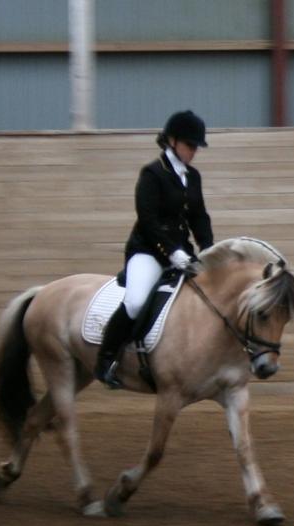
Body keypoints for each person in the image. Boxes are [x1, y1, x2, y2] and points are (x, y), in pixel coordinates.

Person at [94, 109, 214, 388]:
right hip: (148, 251)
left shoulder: (192, 177)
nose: (194, 151)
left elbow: (199, 217)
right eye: (189, 145)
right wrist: (172, 251)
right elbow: (148, 220)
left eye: (196, 147)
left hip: (182, 255)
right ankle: (106, 359)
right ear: (172, 140)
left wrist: (208, 249)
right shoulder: (152, 173)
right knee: (135, 301)